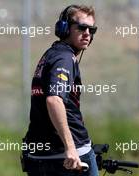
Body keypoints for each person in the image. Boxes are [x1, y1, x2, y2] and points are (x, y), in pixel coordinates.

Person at [21, 4, 99, 176]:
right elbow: (54, 100)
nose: (87, 33)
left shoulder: (51, 54)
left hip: (40, 155)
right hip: (69, 156)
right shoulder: (64, 58)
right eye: (81, 27)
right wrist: (71, 148)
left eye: (92, 30)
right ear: (64, 28)